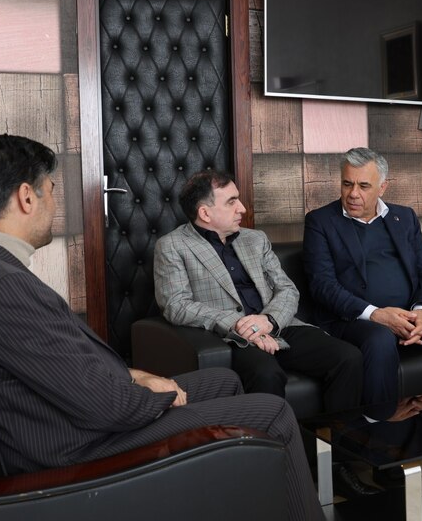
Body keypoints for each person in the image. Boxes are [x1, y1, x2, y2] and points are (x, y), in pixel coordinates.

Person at [0, 134, 379, 521]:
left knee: (226, 383)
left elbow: (60, 367)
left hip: (71, 423)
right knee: (271, 413)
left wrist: (135, 374)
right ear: (26, 196)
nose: (55, 202)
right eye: (52, 190)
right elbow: (105, 405)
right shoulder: (5, 287)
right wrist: (161, 394)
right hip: (77, 447)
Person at [303, 147, 422, 421]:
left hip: (412, 315)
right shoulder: (320, 222)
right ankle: (377, 427)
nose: (353, 193)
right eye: (347, 183)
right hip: (357, 319)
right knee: (379, 339)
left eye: (363, 186)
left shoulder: (404, 217)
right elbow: (322, 286)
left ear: (382, 187)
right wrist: (376, 314)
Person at [154, 170, 362, 414]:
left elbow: (287, 289)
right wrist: (241, 326)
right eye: (232, 202)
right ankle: (276, 439)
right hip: (231, 338)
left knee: (348, 357)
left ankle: (339, 437)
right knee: (266, 374)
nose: (242, 208)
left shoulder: (255, 239)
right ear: (205, 213)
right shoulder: (172, 246)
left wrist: (268, 321)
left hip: (279, 325)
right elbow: (176, 305)